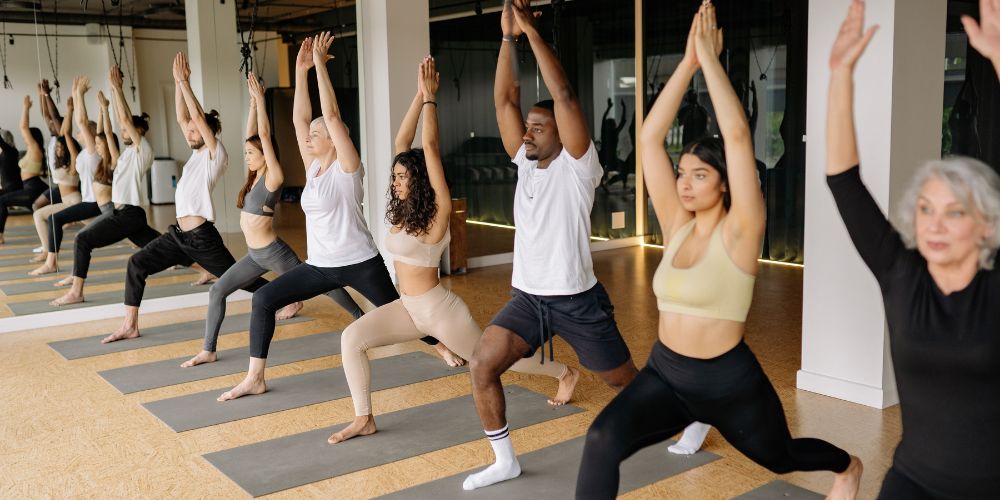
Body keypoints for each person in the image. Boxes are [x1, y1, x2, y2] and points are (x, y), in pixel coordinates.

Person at [575, 4, 861, 499]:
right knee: (601, 438)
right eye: (682, 173)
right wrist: (685, 63)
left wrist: (709, 59)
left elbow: (736, 135)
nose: (684, 184)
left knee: (781, 456)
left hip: (729, 382)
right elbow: (647, 139)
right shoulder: (677, 225)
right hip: (665, 373)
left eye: (699, 175)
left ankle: (848, 467)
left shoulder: (742, 231)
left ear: (727, 185)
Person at [328, 56, 578, 445]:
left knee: (496, 362)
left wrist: (432, 101)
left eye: (401, 177)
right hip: (407, 309)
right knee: (351, 339)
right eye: (393, 177)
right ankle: (364, 417)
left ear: (421, 181)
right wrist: (418, 94)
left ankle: (564, 372)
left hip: (439, 312)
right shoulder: (403, 210)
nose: (394, 183)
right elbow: (402, 143)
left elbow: (427, 145)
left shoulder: (439, 212)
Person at [217, 33, 458, 402]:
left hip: (360, 261)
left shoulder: (349, 168)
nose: (309, 138)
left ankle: (440, 345)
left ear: (335, 137)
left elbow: (329, 115)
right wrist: (301, 73)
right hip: (320, 265)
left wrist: (320, 70)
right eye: (310, 135)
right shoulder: (313, 169)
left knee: (402, 312)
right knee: (262, 300)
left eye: (317, 134)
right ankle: (255, 376)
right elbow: (301, 119)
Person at [827, 1, 1000, 497]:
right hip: (914, 482)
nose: (936, 224)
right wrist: (840, 74)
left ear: (985, 226)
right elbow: (843, 181)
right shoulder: (902, 275)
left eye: (955, 212)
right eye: (926, 209)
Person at [463, 0, 636, 491]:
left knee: (624, 382)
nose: (528, 134)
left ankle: (686, 415)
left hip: (577, 302)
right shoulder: (524, 161)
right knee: (483, 364)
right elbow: (504, 102)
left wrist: (533, 34)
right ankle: (505, 460)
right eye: (529, 128)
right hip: (528, 298)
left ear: (564, 133)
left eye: (540, 127)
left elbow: (562, 93)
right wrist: (506, 38)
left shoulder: (579, 168)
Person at [181, 74, 365, 368]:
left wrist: (262, 102)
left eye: (251, 153)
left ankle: (359, 317)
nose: (247, 156)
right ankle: (208, 349)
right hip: (255, 256)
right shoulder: (252, 178)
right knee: (218, 290)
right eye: (246, 153)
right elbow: (252, 135)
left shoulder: (273, 178)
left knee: (326, 283)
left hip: (274, 254)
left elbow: (264, 137)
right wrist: (253, 104)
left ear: (265, 155)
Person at [101, 53, 264, 344]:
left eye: (194, 130)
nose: (188, 132)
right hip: (178, 236)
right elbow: (183, 116)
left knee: (236, 277)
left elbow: (198, 118)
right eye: (187, 130)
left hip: (201, 237)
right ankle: (130, 324)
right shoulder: (194, 156)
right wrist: (177, 84)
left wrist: (185, 83)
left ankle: (287, 299)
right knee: (136, 264)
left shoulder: (216, 154)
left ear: (208, 133)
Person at [50, 66, 161, 307]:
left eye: (127, 129)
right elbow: (114, 127)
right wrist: (106, 107)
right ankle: (205, 268)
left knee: (82, 239)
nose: (123, 131)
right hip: (128, 213)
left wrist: (117, 90)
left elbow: (124, 120)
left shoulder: (143, 150)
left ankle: (77, 292)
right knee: (163, 247)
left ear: (138, 131)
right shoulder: (126, 154)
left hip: (128, 212)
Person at [0, 96, 51, 245]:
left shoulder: (36, 151)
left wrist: (26, 108)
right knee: (38, 213)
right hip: (29, 187)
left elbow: (23, 127)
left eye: (28, 136)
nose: (24, 136)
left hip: (32, 187)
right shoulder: (31, 151)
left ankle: (0, 235)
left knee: (1, 201)